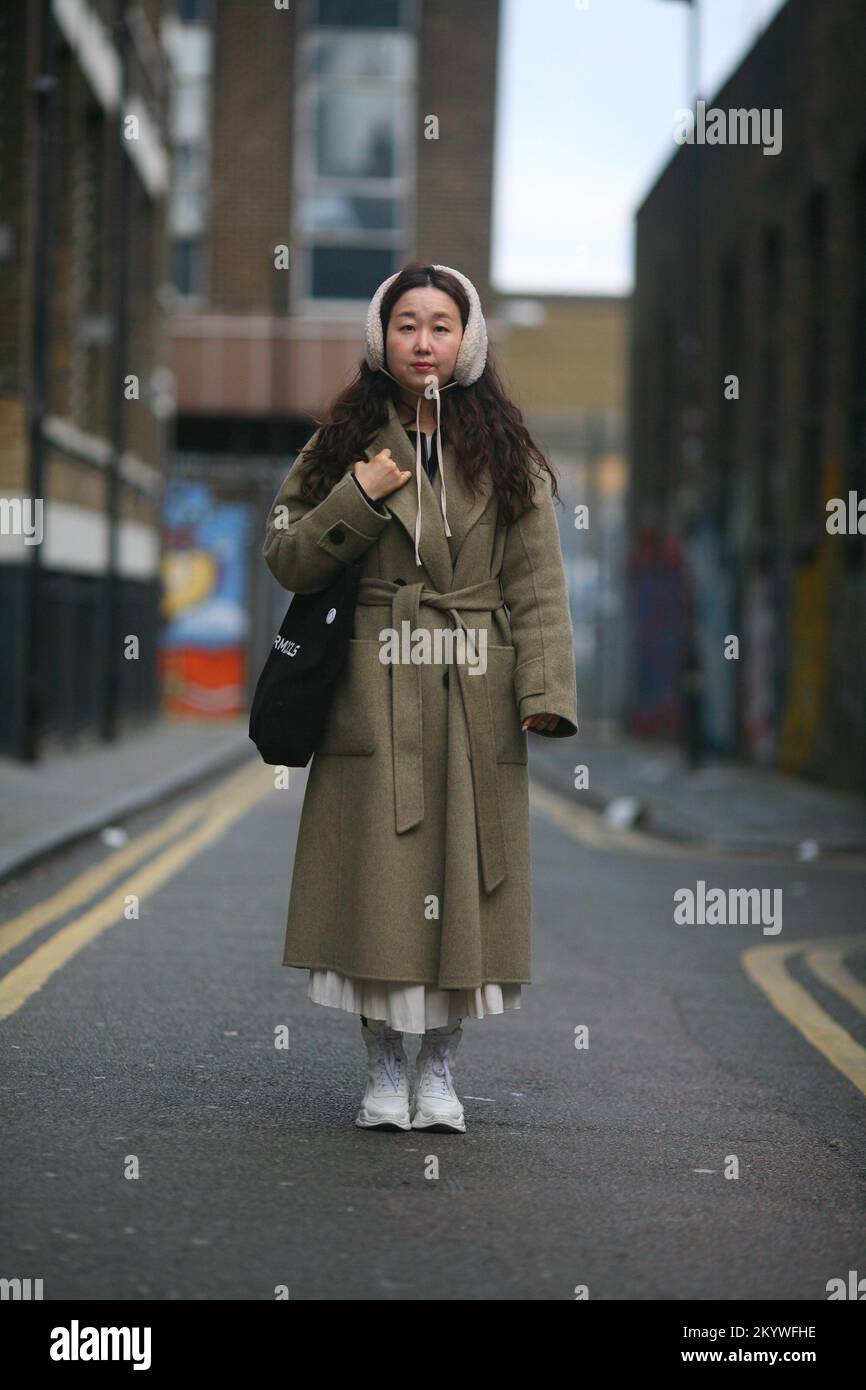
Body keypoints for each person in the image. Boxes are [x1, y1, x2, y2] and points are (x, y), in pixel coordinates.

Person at [262, 262, 578, 1134]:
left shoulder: (507, 452)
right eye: (407, 324)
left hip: (475, 691)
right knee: (379, 888)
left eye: (441, 324)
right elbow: (287, 556)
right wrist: (359, 497)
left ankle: (439, 1069)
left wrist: (545, 687)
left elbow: (539, 584)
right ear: (382, 338)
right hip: (374, 685)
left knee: (462, 890)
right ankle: (381, 1070)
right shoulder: (341, 442)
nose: (424, 341)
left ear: (467, 339)